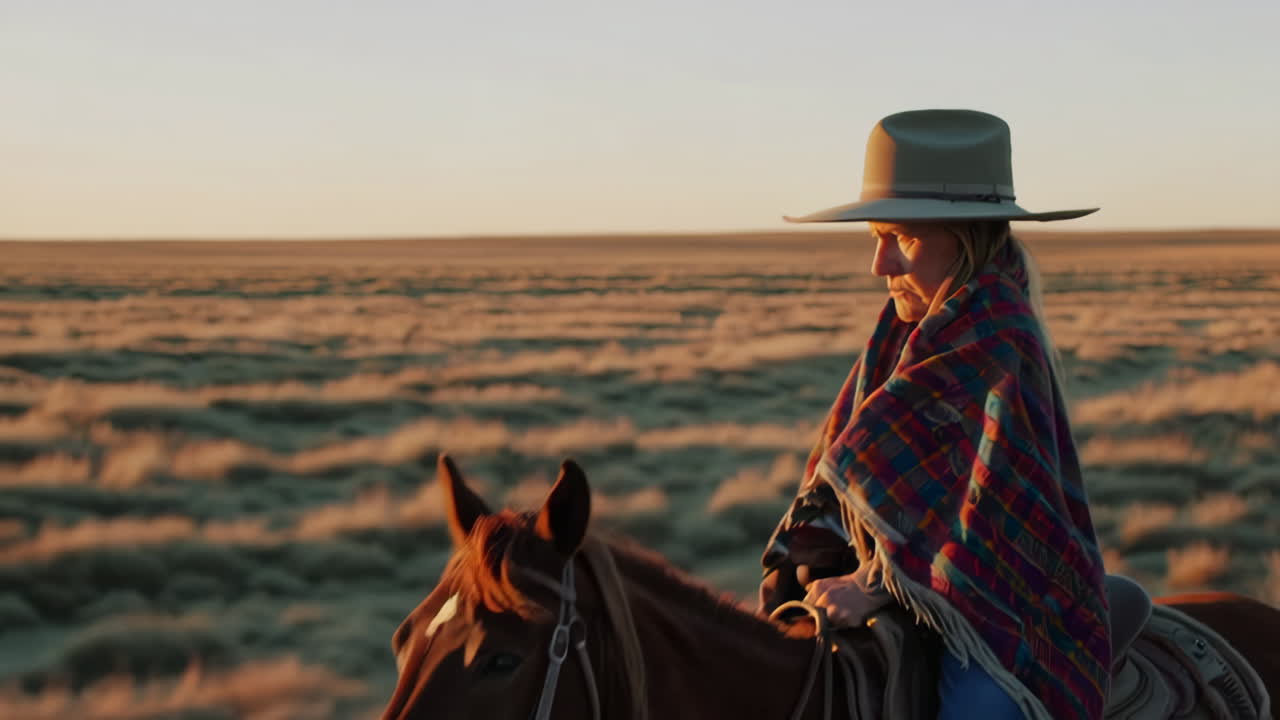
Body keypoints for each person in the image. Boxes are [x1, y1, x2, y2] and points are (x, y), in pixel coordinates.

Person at [758, 109, 1112, 720]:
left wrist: (872, 586)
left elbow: (988, 516)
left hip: (1008, 610)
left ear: (968, 237)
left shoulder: (998, 337)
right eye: (875, 236)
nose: (880, 264)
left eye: (903, 237)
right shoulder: (901, 332)